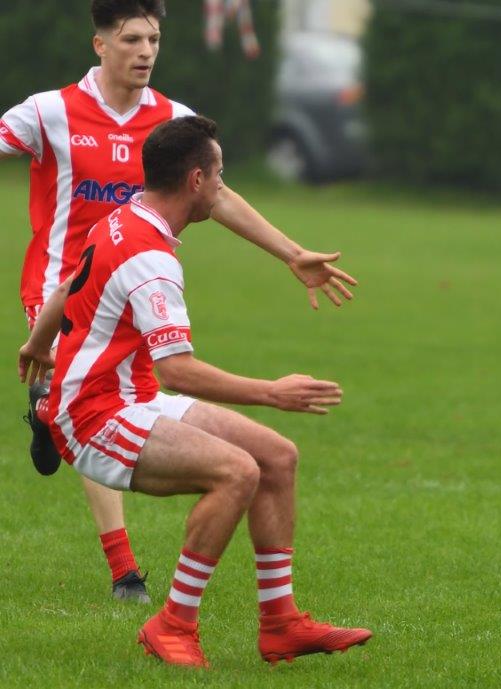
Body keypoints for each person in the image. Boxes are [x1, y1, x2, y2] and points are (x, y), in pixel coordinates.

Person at [0, 0, 356, 603]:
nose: (145, 52)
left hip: (133, 290)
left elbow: (218, 195)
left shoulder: (172, 122)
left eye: (155, 40)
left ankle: (47, 413)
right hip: (64, 289)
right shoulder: (49, 112)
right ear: (100, 44)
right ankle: (124, 569)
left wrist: (290, 252)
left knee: (117, 402)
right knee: (95, 403)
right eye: (133, 38)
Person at [18, 115, 372, 668]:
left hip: (128, 395)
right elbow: (178, 371)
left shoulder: (126, 215)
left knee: (277, 457)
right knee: (237, 472)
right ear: (195, 182)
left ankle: (281, 623)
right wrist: (272, 391)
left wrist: (38, 343)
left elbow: (68, 284)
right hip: (94, 417)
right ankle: (172, 625)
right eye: (220, 175)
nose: (223, 187)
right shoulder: (152, 261)